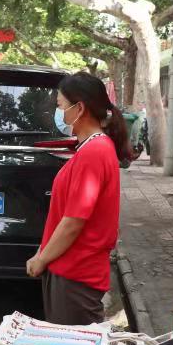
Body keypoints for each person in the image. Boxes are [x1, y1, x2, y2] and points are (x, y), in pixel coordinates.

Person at [26, 72, 131, 325]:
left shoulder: (94, 152)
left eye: (60, 105)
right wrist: (43, 252)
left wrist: (41, 259)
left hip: (76, 275)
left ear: (79, 108)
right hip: (69, 271)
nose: (58, 112)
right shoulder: (90, 148)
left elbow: (73, 221)